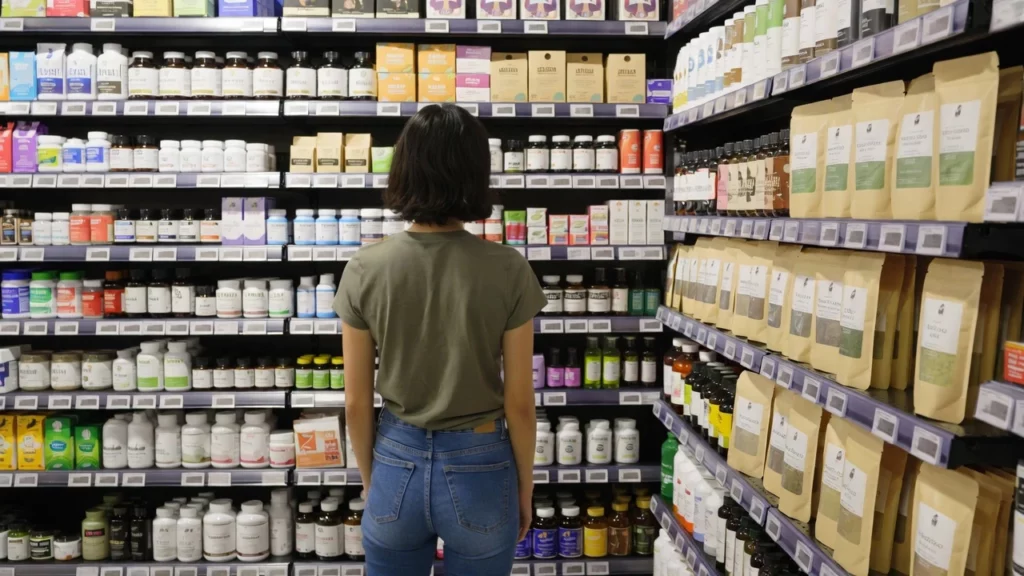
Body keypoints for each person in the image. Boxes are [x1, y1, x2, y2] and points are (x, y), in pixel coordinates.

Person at [334, 104, 546, 575]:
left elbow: (354, 401)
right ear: (476, 174)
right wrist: (524, 490)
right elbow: (520, 405)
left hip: (395, 456)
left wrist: (374, 482)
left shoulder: (365, 268)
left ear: (404, 169)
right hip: (483, 463)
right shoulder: (507, 267)